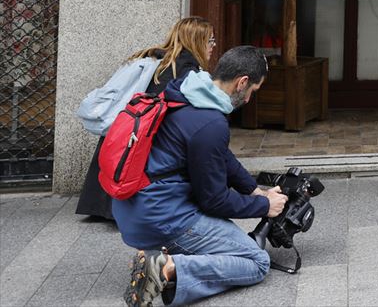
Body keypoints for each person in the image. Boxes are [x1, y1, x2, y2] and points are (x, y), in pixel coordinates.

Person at [114, 45, 286, 307]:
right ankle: (167, 266)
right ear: (242, 83)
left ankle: (160, 255)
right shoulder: (210, 123)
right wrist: (264, 206)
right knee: (256, 262)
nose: (250, 99)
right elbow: (214, 201)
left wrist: (254, 190)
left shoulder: (186, 90)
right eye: (253, 90)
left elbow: (220, 156)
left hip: (133, 209)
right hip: (162, 217)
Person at [75, 17, 215, 220]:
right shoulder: (183, 69)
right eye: (210, 41)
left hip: (123, 131)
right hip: (145, 138)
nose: (213, 46)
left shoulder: (153, 58)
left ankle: (102, 208)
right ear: (197, 41)